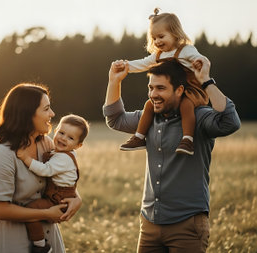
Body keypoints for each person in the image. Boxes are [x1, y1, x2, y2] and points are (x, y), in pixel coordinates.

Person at [103, 58, 240, 252]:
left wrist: (206, 81)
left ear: (179, 90)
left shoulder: (200, 117)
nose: (153, 95)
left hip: (187, 225)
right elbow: (115, 119)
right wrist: (114, 81)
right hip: (149, 223)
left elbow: (230, 122)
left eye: (160, 88)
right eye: (150, 88)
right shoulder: (148, 117)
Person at [0, 83, 82, 253]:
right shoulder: (3, 154)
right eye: (46, 109)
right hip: (14, 241)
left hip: (49, 237)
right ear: (27, 114)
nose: (52, 114)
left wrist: (77, 200)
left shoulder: (47, 144)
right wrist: (46, 214)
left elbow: (62, 177)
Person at [115, 8, 209, 155]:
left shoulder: (185, 50)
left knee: (186, 104)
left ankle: (187, 140)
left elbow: (201, 59)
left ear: (175, 34)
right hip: (169, 95)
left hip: (190, 90)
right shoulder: (158, 55)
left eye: (161, 36)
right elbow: (143, 63)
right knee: (149, 104)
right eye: (154, 38)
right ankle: (139, 137)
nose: (157, 41)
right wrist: (126, 66)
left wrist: (200, 62)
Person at [17, 114, 89, 253]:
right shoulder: (62, 152)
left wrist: (26, 159)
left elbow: (45, 170)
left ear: (78, 145)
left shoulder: (63, 158)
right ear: (55, 131)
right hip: (60, 194)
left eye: (70, 138)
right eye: (61, 133)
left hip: (57, 199)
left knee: (32, 211)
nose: (63, 138)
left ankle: (40, 246)